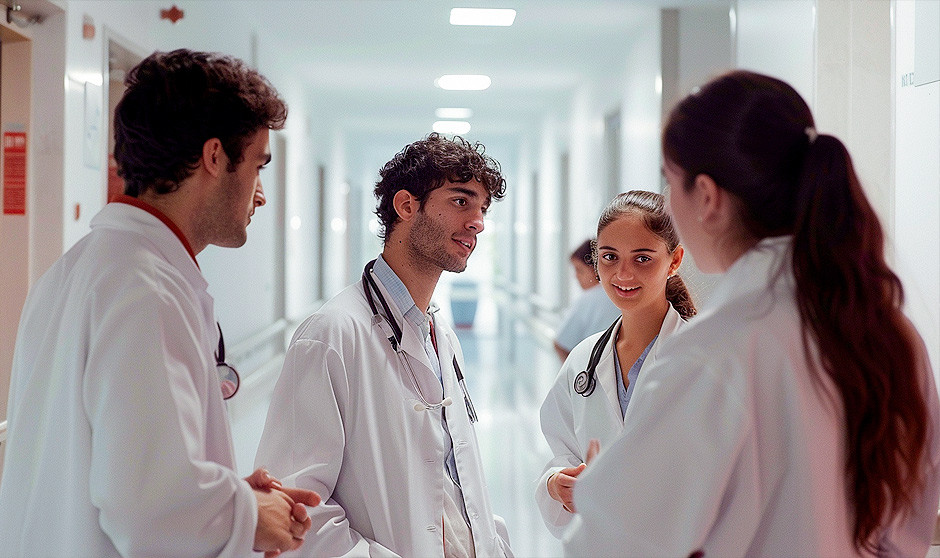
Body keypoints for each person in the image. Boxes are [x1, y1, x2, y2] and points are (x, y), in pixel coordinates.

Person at [564, 70, 940, 556]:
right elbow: (912, 512)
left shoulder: (716, 351)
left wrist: (602, 487)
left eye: (670, 183)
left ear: (706, 196)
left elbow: (615, 542)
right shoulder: (892, 333)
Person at [0, 49, 321, 557]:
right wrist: (246, 515)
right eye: (258, 167)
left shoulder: (80, 269)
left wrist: (233, 497)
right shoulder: (144, 290)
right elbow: (151, 509)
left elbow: (122, 465)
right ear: (215, 157)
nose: (260, 196)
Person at [254, 133, 514, 557]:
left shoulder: (439, 336)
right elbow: (298, 512)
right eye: (461, 201)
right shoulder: (331, 336)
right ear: (407, 206)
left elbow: (454, 481)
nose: (478, 222)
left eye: (482, 209)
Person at [537, 191, 694, 538]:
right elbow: (562, 453)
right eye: (610, 257)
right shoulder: (583, 361)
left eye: (642, 258)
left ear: (674, 260)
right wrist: (556, 484)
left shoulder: (702, 360)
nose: (623, 273)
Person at [553, 239, 621, 361]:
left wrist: (576, 374)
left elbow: (560, 344)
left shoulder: (588, 299)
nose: (576, 276)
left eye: (579, 270)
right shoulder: (624, 294)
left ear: (597, 269)